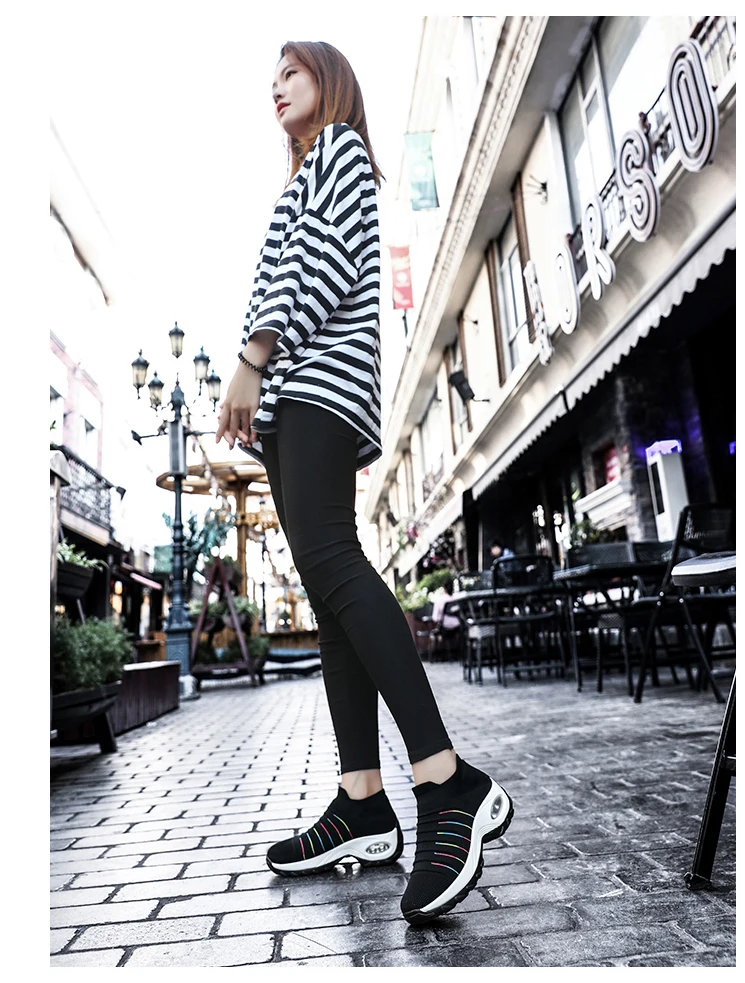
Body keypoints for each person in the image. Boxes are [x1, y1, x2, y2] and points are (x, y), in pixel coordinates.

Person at [215, 40, 513, 926]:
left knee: (336, 567)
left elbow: (320, 266)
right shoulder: (308, 170)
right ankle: (362, 800)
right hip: (295, 394)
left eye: (290, 72)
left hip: (313, 386)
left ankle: (447, 780)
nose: (274, 87)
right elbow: (291, 267)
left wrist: (252, 360)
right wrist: (256, 378)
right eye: (271, 78)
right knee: (328, 588)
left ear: (331, 81)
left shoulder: (340, 150)